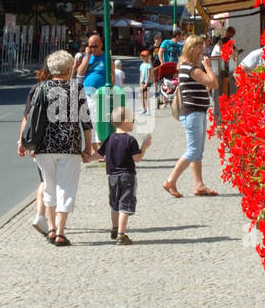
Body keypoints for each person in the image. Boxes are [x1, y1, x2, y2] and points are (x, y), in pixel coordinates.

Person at [17, 50, 94, 246]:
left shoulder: (40, 88)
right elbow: (85, 120)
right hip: (69, 145)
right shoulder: (76, 88)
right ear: (70, 69)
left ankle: (50, 228)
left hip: (43, 146)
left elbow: (30, 118)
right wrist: (87, 147)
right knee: (66, 189)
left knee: (49, 188)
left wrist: (22, 142)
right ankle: (60, 232)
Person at [164, 34, 217, 197]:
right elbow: (213, 83)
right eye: (200, 47)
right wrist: (208, 67)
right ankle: (170, 181)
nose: (203, 50)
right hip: (192, 112)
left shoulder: (189, 67)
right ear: (191, 49)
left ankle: (198, 185)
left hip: (197, 111)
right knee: (193, 151)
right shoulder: (190, 68)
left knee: (197, 151)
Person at [98, 108, 151, 245]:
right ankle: (121, 235)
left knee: (115, 204)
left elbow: (99, 154)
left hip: (112, 177)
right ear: (126, 122)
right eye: (133, 120)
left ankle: (115, 229)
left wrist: (87, 158)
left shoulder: (109, 139)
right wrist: (145, 146)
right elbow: (137, 158)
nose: (133, 123)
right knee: (124, 205)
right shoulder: (130, 140)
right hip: (127, 176)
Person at [18, 65, 52, 237]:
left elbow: (27, 118)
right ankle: (52, 222)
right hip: (53, 143)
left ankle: (41, 215)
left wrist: (22, 141)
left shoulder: (34, 89)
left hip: (36, 142)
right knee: (53, 182)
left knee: (43, 181)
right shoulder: (60, 90)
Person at [137, 50, 153, 116]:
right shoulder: (141, 65)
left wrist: (146, 83)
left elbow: (149, 74)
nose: (144, 58)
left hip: (147, 82)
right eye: (143, 56)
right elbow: (140, 74)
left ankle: (148, 110)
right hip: (142, 82)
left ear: (148, 57)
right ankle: (144, 108)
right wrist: (140, 82)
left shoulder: (149, 65)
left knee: (146, 96)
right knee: (140, 95)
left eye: (145, 56)